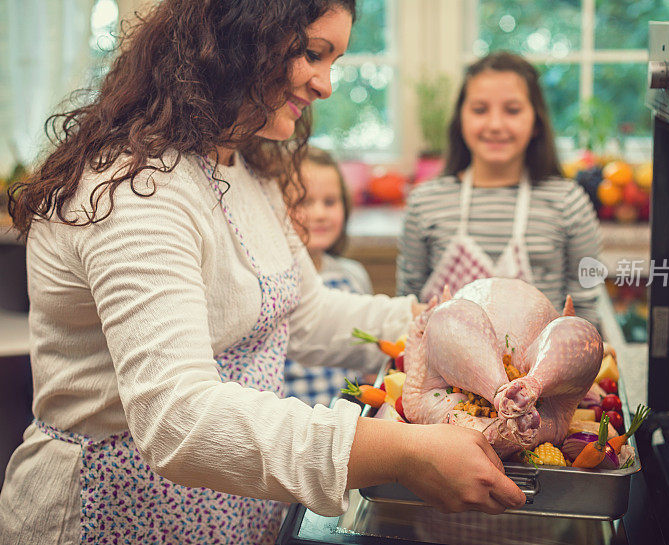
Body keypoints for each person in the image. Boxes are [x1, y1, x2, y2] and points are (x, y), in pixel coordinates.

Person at [0, 3, 525, 544]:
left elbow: (308, 315)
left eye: (334, 61)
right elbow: (181, 419)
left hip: (230, 514)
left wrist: (457, 322)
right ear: (241, 38)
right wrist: (401, 452)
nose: (326, 86)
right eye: (313, 54)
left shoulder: (243, 164)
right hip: (111, 513)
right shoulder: (134, 188)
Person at [397, 51, 601, 326]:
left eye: (513, 110)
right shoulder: (425, 203)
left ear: (536, 122)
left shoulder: (568, 203)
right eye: (480, 110)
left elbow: (585, 308)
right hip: (441, 369)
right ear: (461, 119)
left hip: (540, 369)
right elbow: (409, 308)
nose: (495, 125)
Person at [283, 147, 383, 407]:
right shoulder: (274, 283)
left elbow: (367, 357)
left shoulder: (352, 276)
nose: (319, 214)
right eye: (304, 202)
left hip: (348, 427)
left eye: (330, 202)